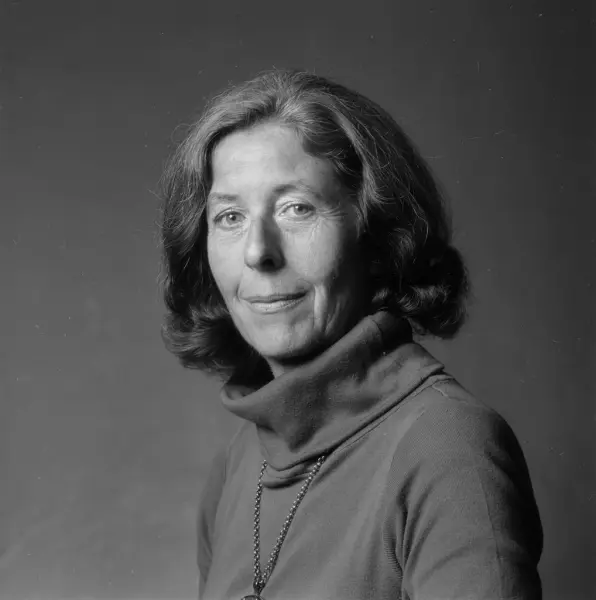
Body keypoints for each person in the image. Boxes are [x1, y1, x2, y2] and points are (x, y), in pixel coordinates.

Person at [159, 69, 543, 600]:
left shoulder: (450, 446)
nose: (258, 251)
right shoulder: (237, 465)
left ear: (376, 232)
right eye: (229, 216)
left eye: (296, 208)